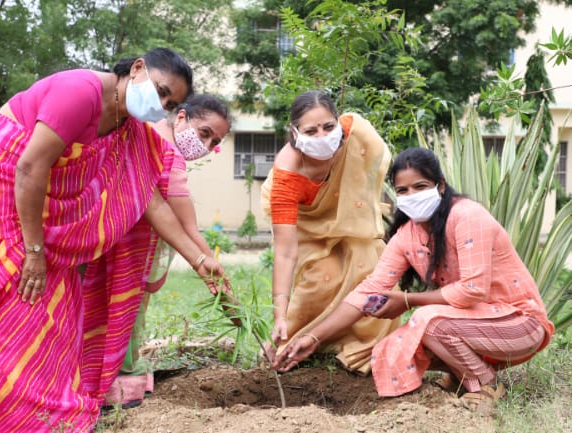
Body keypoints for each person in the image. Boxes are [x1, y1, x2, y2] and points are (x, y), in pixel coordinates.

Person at [0, 48, 229, 432]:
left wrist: (200, 262)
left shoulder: (129, 129)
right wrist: (33, 252)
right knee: (15, 302)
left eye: (170, 102)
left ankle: (45, 415)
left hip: (37, 201)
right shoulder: (80, 91)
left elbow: (153, 203)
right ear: (137, 68)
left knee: (59, 315)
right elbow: (31, 165)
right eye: (161, 91)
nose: (161, 104)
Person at [274, 147, 554, 409]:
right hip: (473, 326)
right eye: (403, 191)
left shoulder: (467, 216)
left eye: (420, 187)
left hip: (520, 326)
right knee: (393, 347)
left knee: (427, 322)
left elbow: (473, 289)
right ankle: (461, 375)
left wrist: (407, 301)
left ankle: (486, 384)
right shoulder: (407, 235)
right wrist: (313, 336)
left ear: (440, 186)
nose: (412, 195)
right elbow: (369, 291)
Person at [103, 94, 231, 409]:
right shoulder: (164, 150)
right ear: (182, 117)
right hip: (120, 250)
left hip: (111, 242)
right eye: (204, 132)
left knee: (109, 314)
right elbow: (187, 227)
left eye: (213, 142)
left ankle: (103, 382)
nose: (205, 145)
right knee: (121, 314)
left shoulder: (146, 134)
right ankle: (115, 387)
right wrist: (219, 282)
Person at [260, 91, 398, 374]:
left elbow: (374, 175)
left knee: (373, 268)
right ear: (295, 132)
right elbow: (285, 252)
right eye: (311, 131)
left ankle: (359, 346)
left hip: (352, 225)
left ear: (338, 122)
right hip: (306, 227)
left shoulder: (356, 135)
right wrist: (279, 314)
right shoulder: (288, 175)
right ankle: (291, 341)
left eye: (328, 127)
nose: (322, 136)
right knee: (324, 275)